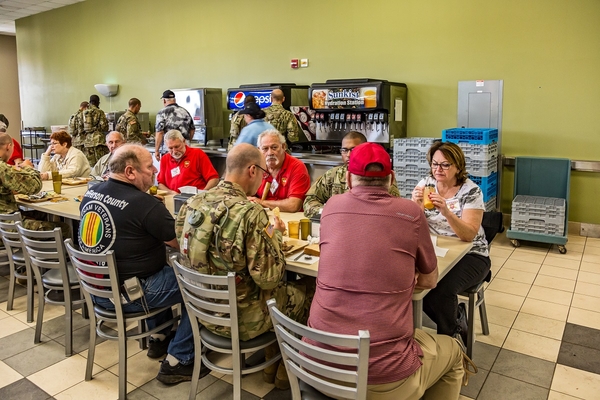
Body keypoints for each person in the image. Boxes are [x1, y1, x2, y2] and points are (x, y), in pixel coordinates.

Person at [307, 142, 464, 400]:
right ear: (391, 179)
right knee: (454, 352)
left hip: (319, 367)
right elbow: (430, 279)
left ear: (348, 178)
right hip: (384, 376)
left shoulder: (331, 207)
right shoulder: (410, 213)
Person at [175, 143, 314, 389]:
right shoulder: (250, 213)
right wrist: (275, 235)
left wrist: (271, 231)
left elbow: (182, 243)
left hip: (202, 312)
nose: (263, 179)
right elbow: (269, 278)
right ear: (252, 170)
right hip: (242, 318)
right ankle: (287, 367)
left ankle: (273, 360)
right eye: (262, 173)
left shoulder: (192, 203)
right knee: (307, 291)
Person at [79, 144, 198, 384]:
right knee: (198, 285)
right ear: (130, 171)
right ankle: (179, 359)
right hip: (131, 294)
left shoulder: (91, 193)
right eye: (149, 167)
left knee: (161, 269)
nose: (154, 170)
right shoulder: (145, 205)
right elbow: (182, 244)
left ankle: (159, 336)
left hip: (97, 291)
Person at [411, 141, 491, 345]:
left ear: (458, 166)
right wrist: (416, 206)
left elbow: (468, 235)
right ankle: (454, 320)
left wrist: (446, 211)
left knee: (440, 289)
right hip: (437, 249)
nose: (438, 170)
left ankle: (451, 339)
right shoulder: (426, 184)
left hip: (472, 255)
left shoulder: (471, 191)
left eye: (445, 165)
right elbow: (415, 226)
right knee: (415, 284)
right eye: (434, 164)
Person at [303, 131, 401, 218]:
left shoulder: (380, 176)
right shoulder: (332, 175)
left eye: (354, 149)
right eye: (344, 150)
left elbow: (394, 207)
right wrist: (327, 212)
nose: (349, 155)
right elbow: (310, 200)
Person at [250, 130, 310, 212]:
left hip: (291, 219)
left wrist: (261, 202)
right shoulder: (256, 167)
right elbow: (246, 196)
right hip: (264, 217)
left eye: (274, 147)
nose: (270, 153)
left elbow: (293, 205)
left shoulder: (297, 167)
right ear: (259, 150)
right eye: (265, 149)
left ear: (284, 147)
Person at [157, 130, 219, 194]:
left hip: (195, 198)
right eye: (170, 148)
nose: (174, 151)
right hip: (173, 197)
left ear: (184, 142)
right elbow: (161, 184)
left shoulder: (197, 154)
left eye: (177, 147)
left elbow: (214, 179)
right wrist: (172, 193)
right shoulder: (165, 159)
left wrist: (202, 194)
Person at [154, 90, 195, 161]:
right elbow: (192, 129)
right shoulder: (185, 111)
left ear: (164, 101)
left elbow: (159, 132)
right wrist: (186, 141)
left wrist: (156, 150)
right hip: (185, 148)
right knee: (185, 169)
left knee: (171, 170)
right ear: (174, 100)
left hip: (170, 149)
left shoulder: (162, 113)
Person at [82, 95, 109, 166]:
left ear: (89, 102)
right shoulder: (100, 112)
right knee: (100, 163)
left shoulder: (84, 112)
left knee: (90, 164)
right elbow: (104, 127)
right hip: (98, 141)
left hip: (87, 141)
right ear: (98, 103)